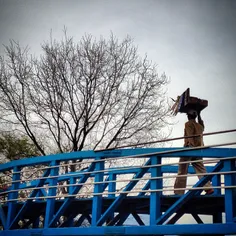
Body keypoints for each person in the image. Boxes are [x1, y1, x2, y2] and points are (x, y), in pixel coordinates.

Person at [174, 109, 214, 195]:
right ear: (195, 116)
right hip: (198, 150)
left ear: (188, 116)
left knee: (182, 170)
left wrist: (190, 146)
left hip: (189, 149)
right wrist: (199, 114)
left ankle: (179, 192)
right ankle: (208, 188)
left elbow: (190, 135)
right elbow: (202, 125)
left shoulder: (188, 124)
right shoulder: (199, 126)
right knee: (201, 170)